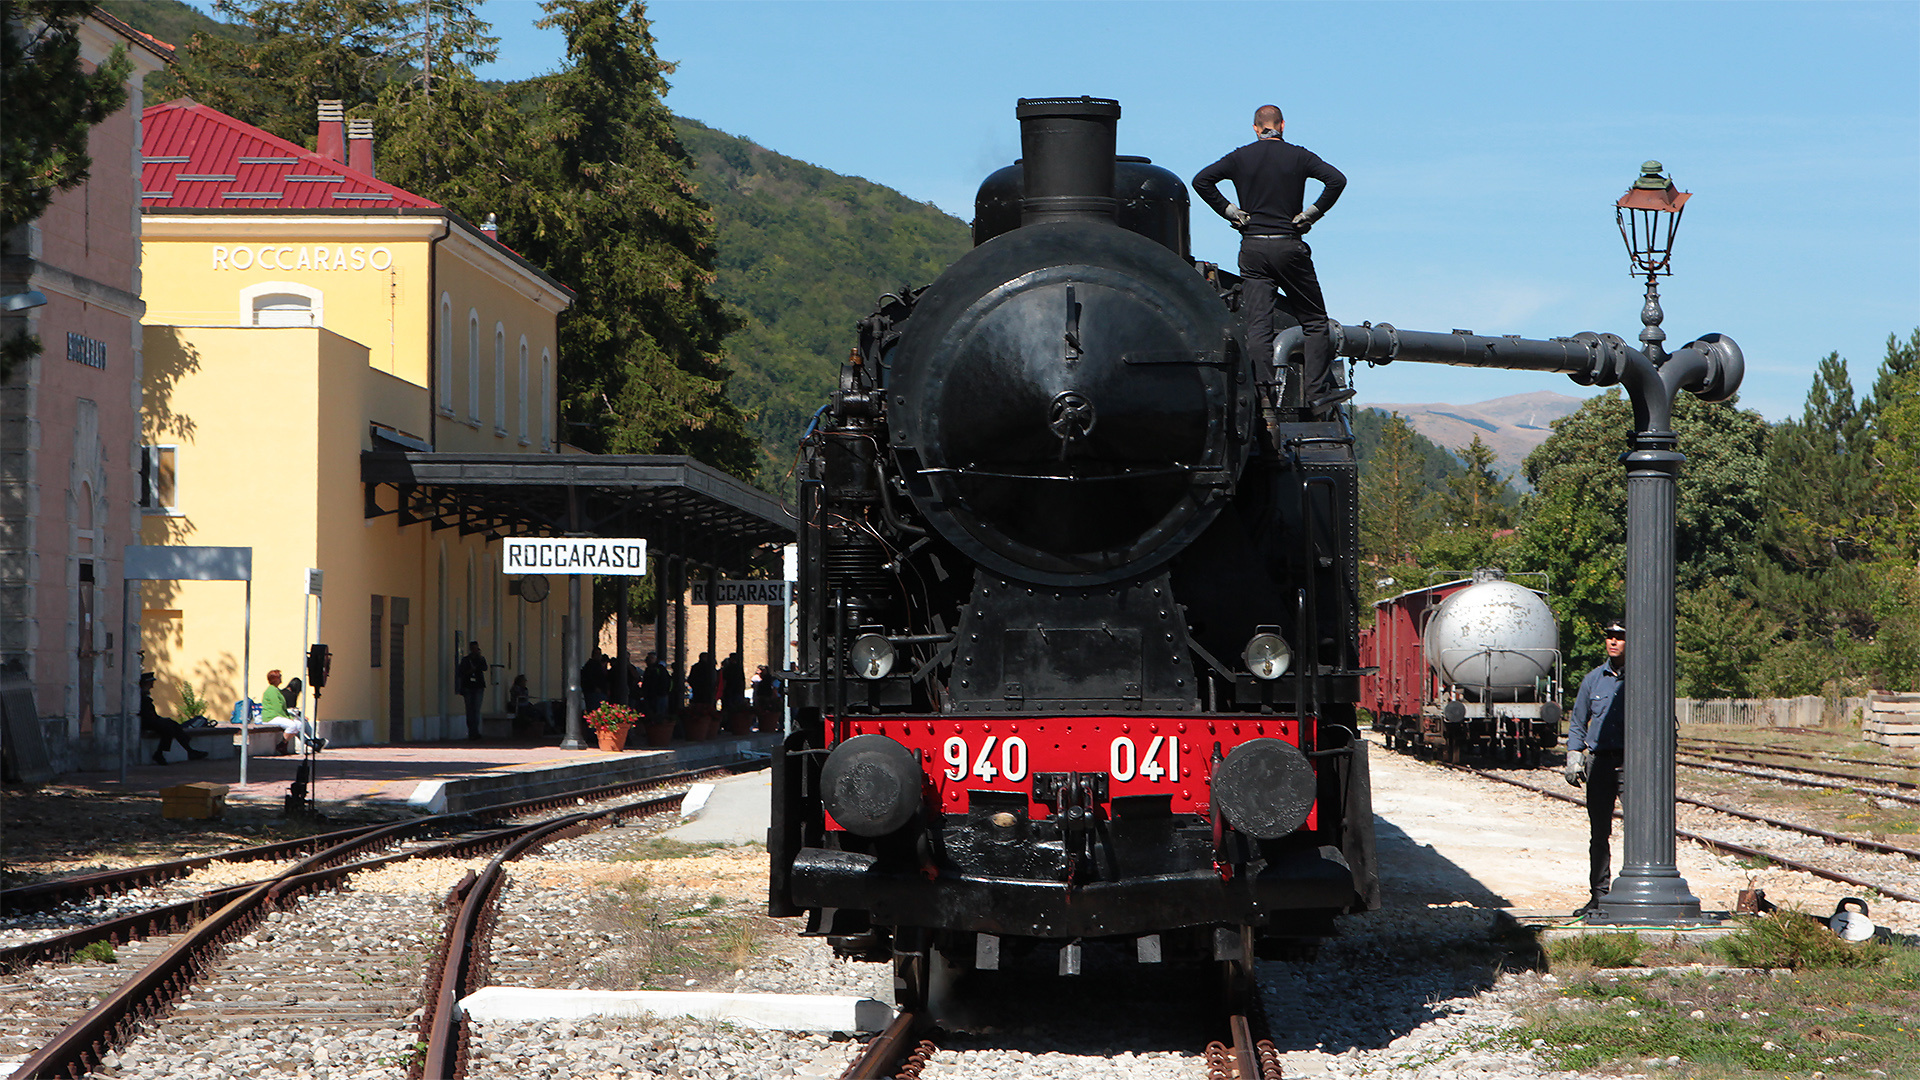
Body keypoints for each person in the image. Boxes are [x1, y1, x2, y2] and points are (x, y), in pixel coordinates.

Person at [1192, 104, 1349, 417]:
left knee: (1258, 326)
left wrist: (1230, 211)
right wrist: (1310, 215)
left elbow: (1201, 181)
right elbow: (1337, 180)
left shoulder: (1240, 157)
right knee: (1316, 323)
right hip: (1288, 246)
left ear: (1255, 128)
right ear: (1283, 125)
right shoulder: (1299, 156)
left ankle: (1263, 394)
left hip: (1253, 251)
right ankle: (1318, 396)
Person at [1565, 619, 1628, 916]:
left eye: (1619, 637)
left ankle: (1631, 890)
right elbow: (1578, 722)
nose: (1613, 642)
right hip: (1600, 762)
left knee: (1639, 831)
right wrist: (1574, 755)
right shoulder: (1593, 680)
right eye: (1609, 636)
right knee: (1598, 832)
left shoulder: (1641, 680)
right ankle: (1599, 895)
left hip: (1632, 764)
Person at [140, 672, 208, 765]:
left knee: (172, 725)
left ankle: (187, 750)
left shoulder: (145, 693)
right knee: (168, 727)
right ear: (146, 683)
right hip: (146, 722)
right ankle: (163, 753)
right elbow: (146, 713)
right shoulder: (141, 694)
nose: (152, 685)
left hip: (151, 720)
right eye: (151, 683)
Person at [258, 669, 321, 754]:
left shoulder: (277, 690)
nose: (281, 678)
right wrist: (287, 718)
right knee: (291, 725)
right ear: (274, 679)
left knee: (299, 724)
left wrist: (289, 717)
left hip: (278, 715)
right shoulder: (271, 691)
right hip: (271, 717)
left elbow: (282, 708)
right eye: (279, 677)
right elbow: (278, 708)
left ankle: (284, 744)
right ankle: (282, 745)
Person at [456, 641, 488, 741]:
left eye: (476, 648)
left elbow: (485, 668)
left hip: (478, 686)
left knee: (476, 709)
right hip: (468, 686)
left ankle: (476, 731)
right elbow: (460, 672)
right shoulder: (466, 660)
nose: (475, 650)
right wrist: (469, 671)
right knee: (469, 710)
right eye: (473, 648)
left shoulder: (481, 659)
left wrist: (479, 658)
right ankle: (471, 731)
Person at [640, 651, 670, 722]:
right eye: (648, 658)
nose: (649, 660)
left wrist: (662, 691)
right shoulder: (648, 670)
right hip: (651, 695)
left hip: (659, 695)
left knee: (660, 714)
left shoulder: (660, 669)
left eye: (651, 658)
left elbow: (665, 682)